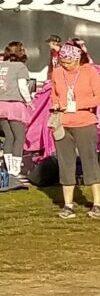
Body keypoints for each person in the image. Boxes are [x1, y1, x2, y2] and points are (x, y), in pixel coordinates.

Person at [47, 42, 100, 221]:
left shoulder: (89, 72)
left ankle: (97, 203)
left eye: (69, 62)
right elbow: (54, 95)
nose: (66, 65)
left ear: (77, 59)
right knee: (66, 163)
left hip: (85, 122)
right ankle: (68, 205)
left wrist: (77, 105)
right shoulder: (57, 73)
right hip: (63, 123)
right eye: (63, 61)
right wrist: (56, 105)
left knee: (90, 161)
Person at [0, 41, 28, 190]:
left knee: (8, 137)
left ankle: (8, 167)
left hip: (1, 104)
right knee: (19, 137)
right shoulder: (20, 67)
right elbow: (23, 87)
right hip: (15, 104)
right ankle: (15, 170)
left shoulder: (1, 65)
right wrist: (29, 101)